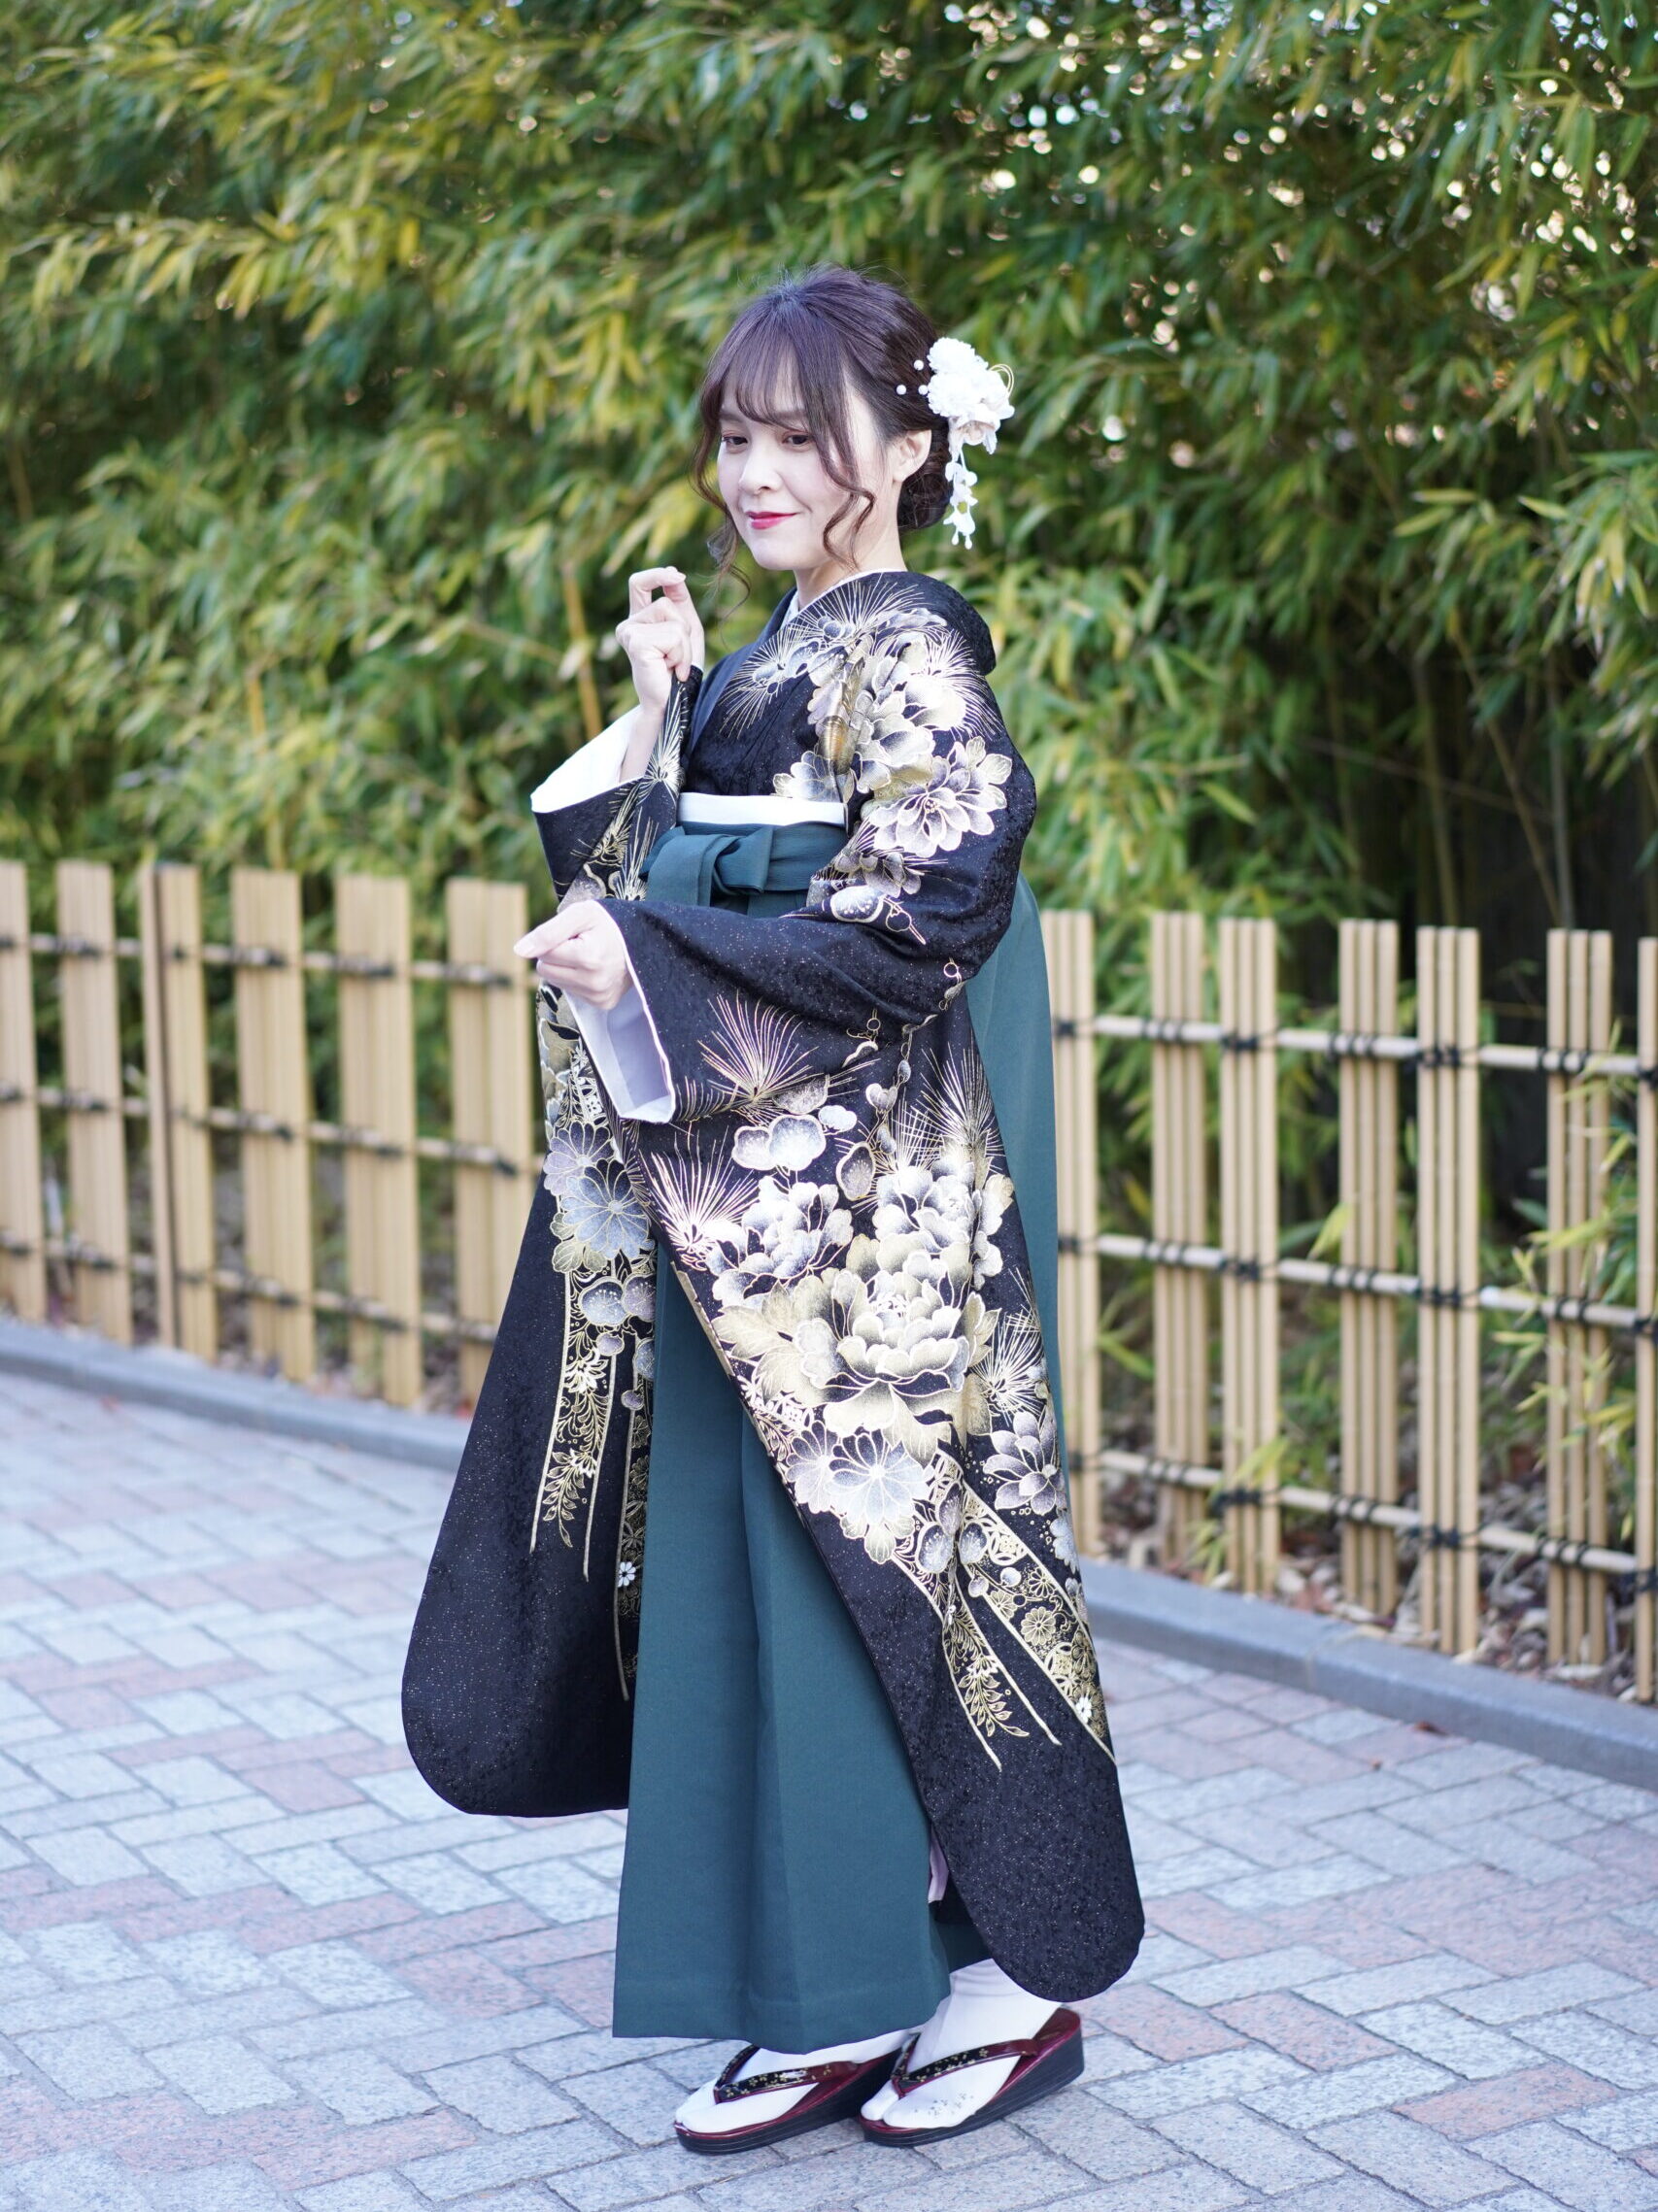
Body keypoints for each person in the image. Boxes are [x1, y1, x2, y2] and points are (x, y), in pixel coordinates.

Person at [403, 263, 1141, 2156]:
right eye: (736, 434)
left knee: (880, 1546)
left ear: (904, 446)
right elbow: (700, 874)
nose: (754, 471)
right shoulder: (786, 640)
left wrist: (651, 951)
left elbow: (921, 915)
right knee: (773, 1557)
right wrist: (668, 713)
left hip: (881, 1180)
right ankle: (838, 1976)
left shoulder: (909, 648)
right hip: (772, 1176)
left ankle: (996, 1977)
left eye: (801, 436)